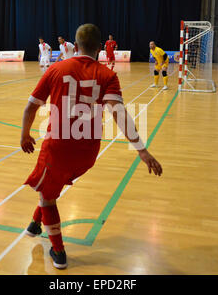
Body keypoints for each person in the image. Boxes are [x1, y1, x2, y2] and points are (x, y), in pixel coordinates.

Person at [21, 24, 163, 269]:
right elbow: (119, 113)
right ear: (99, 48)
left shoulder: (56, 68)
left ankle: (59, 252)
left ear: (74, 47)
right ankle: (35, 224)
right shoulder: (108, 76)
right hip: (88, 154)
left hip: (58, 148)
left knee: (47, 197)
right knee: (51, 186)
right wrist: (141, 149)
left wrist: (24, 134)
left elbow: (31, 107)